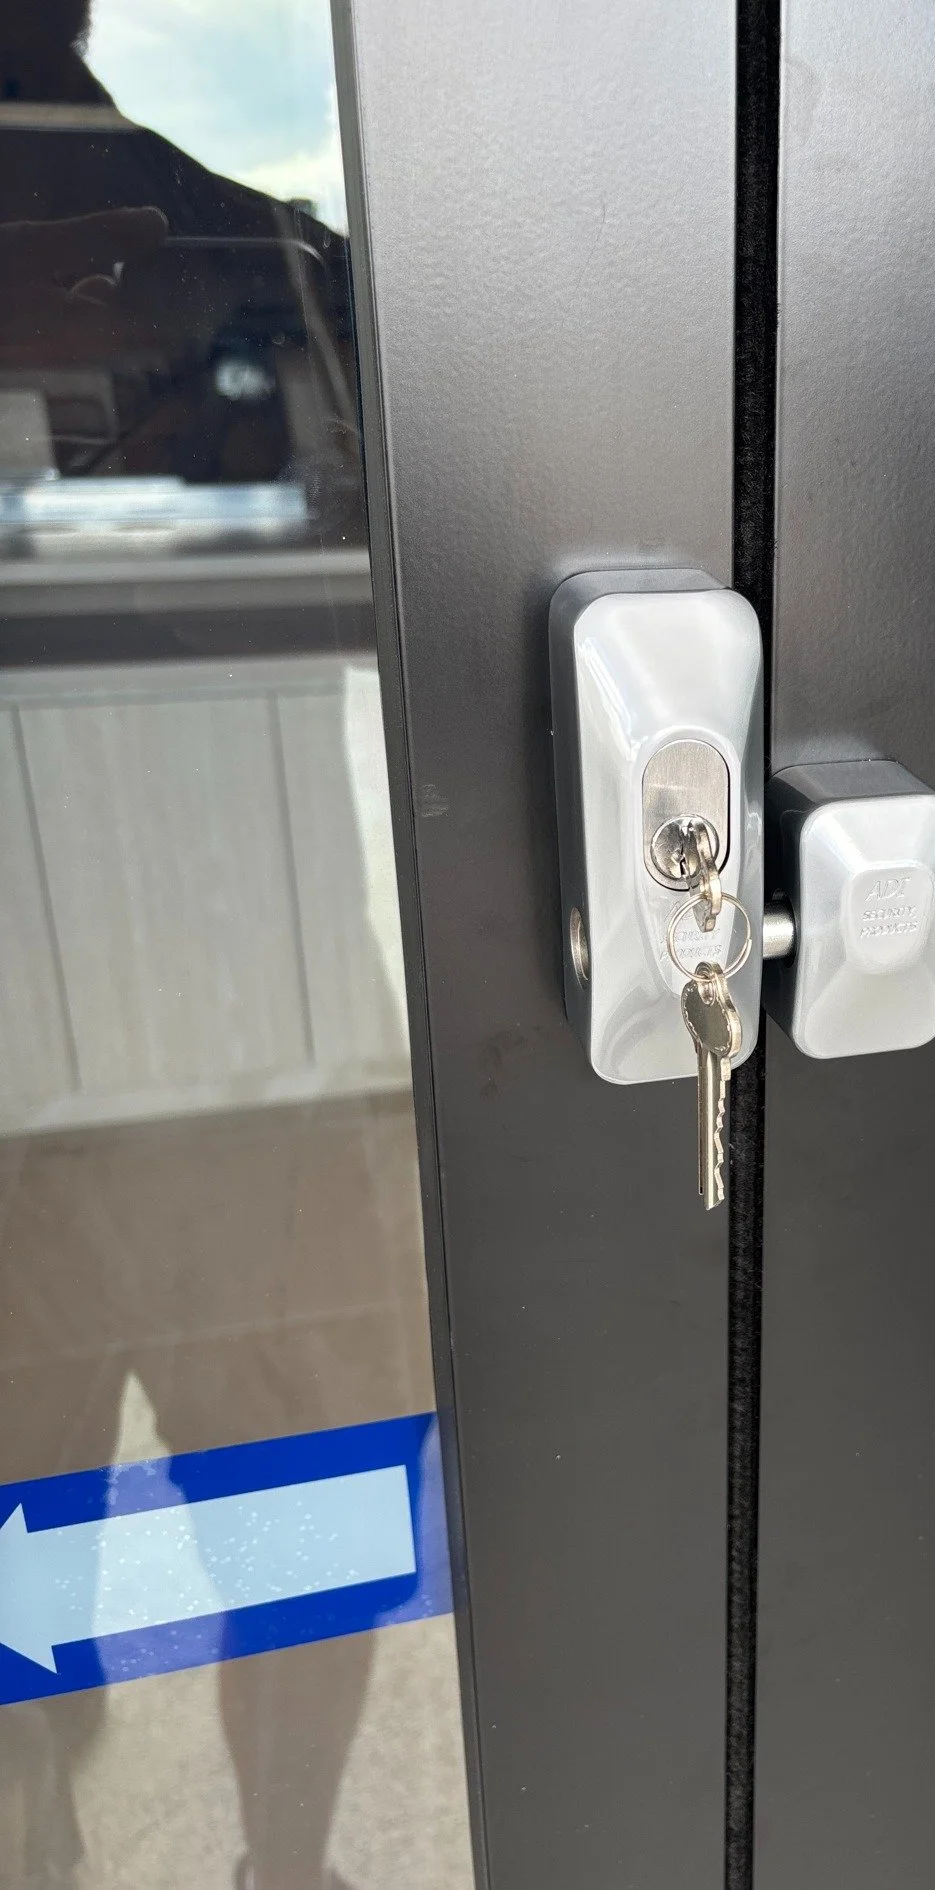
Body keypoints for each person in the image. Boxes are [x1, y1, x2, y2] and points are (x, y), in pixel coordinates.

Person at [0, 8, 400, 1890]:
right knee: (301, 1517)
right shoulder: (281, 268)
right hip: (266, 1034)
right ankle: (285, 1872)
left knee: (211, 1522)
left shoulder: (275, 268)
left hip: (149, 1043)